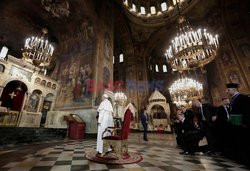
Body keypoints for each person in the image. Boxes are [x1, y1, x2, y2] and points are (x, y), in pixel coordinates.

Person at [225, 83, 250, 164]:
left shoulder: (243, 98)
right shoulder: (233, 99)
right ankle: (243, 159)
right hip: (235, 126)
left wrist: (244, 123)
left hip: (242, 126)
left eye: (228, 90)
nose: (226, 91)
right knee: (239, 143)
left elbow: (247, 112)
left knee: (245, 143)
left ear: (234, 89)